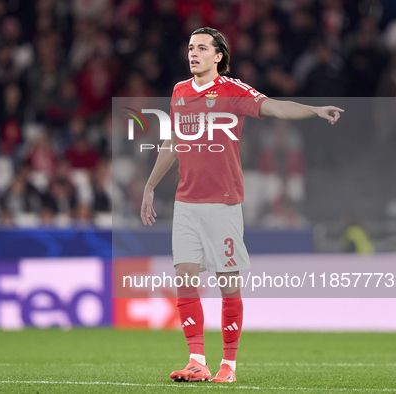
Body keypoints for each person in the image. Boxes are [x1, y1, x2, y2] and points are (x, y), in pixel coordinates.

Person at [140, 27, 343, 384]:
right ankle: (196, 360)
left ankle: (228, 367)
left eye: (202, 48)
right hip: (186, 203)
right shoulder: (179, 92)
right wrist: (150, 186)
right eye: (190, 47)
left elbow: (275, 106)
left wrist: (313, 109)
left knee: (227, 284)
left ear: (219, 56)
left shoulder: (232, 90)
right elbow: (171, 143)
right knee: (185, 280)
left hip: (223, 203)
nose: (194, 53)